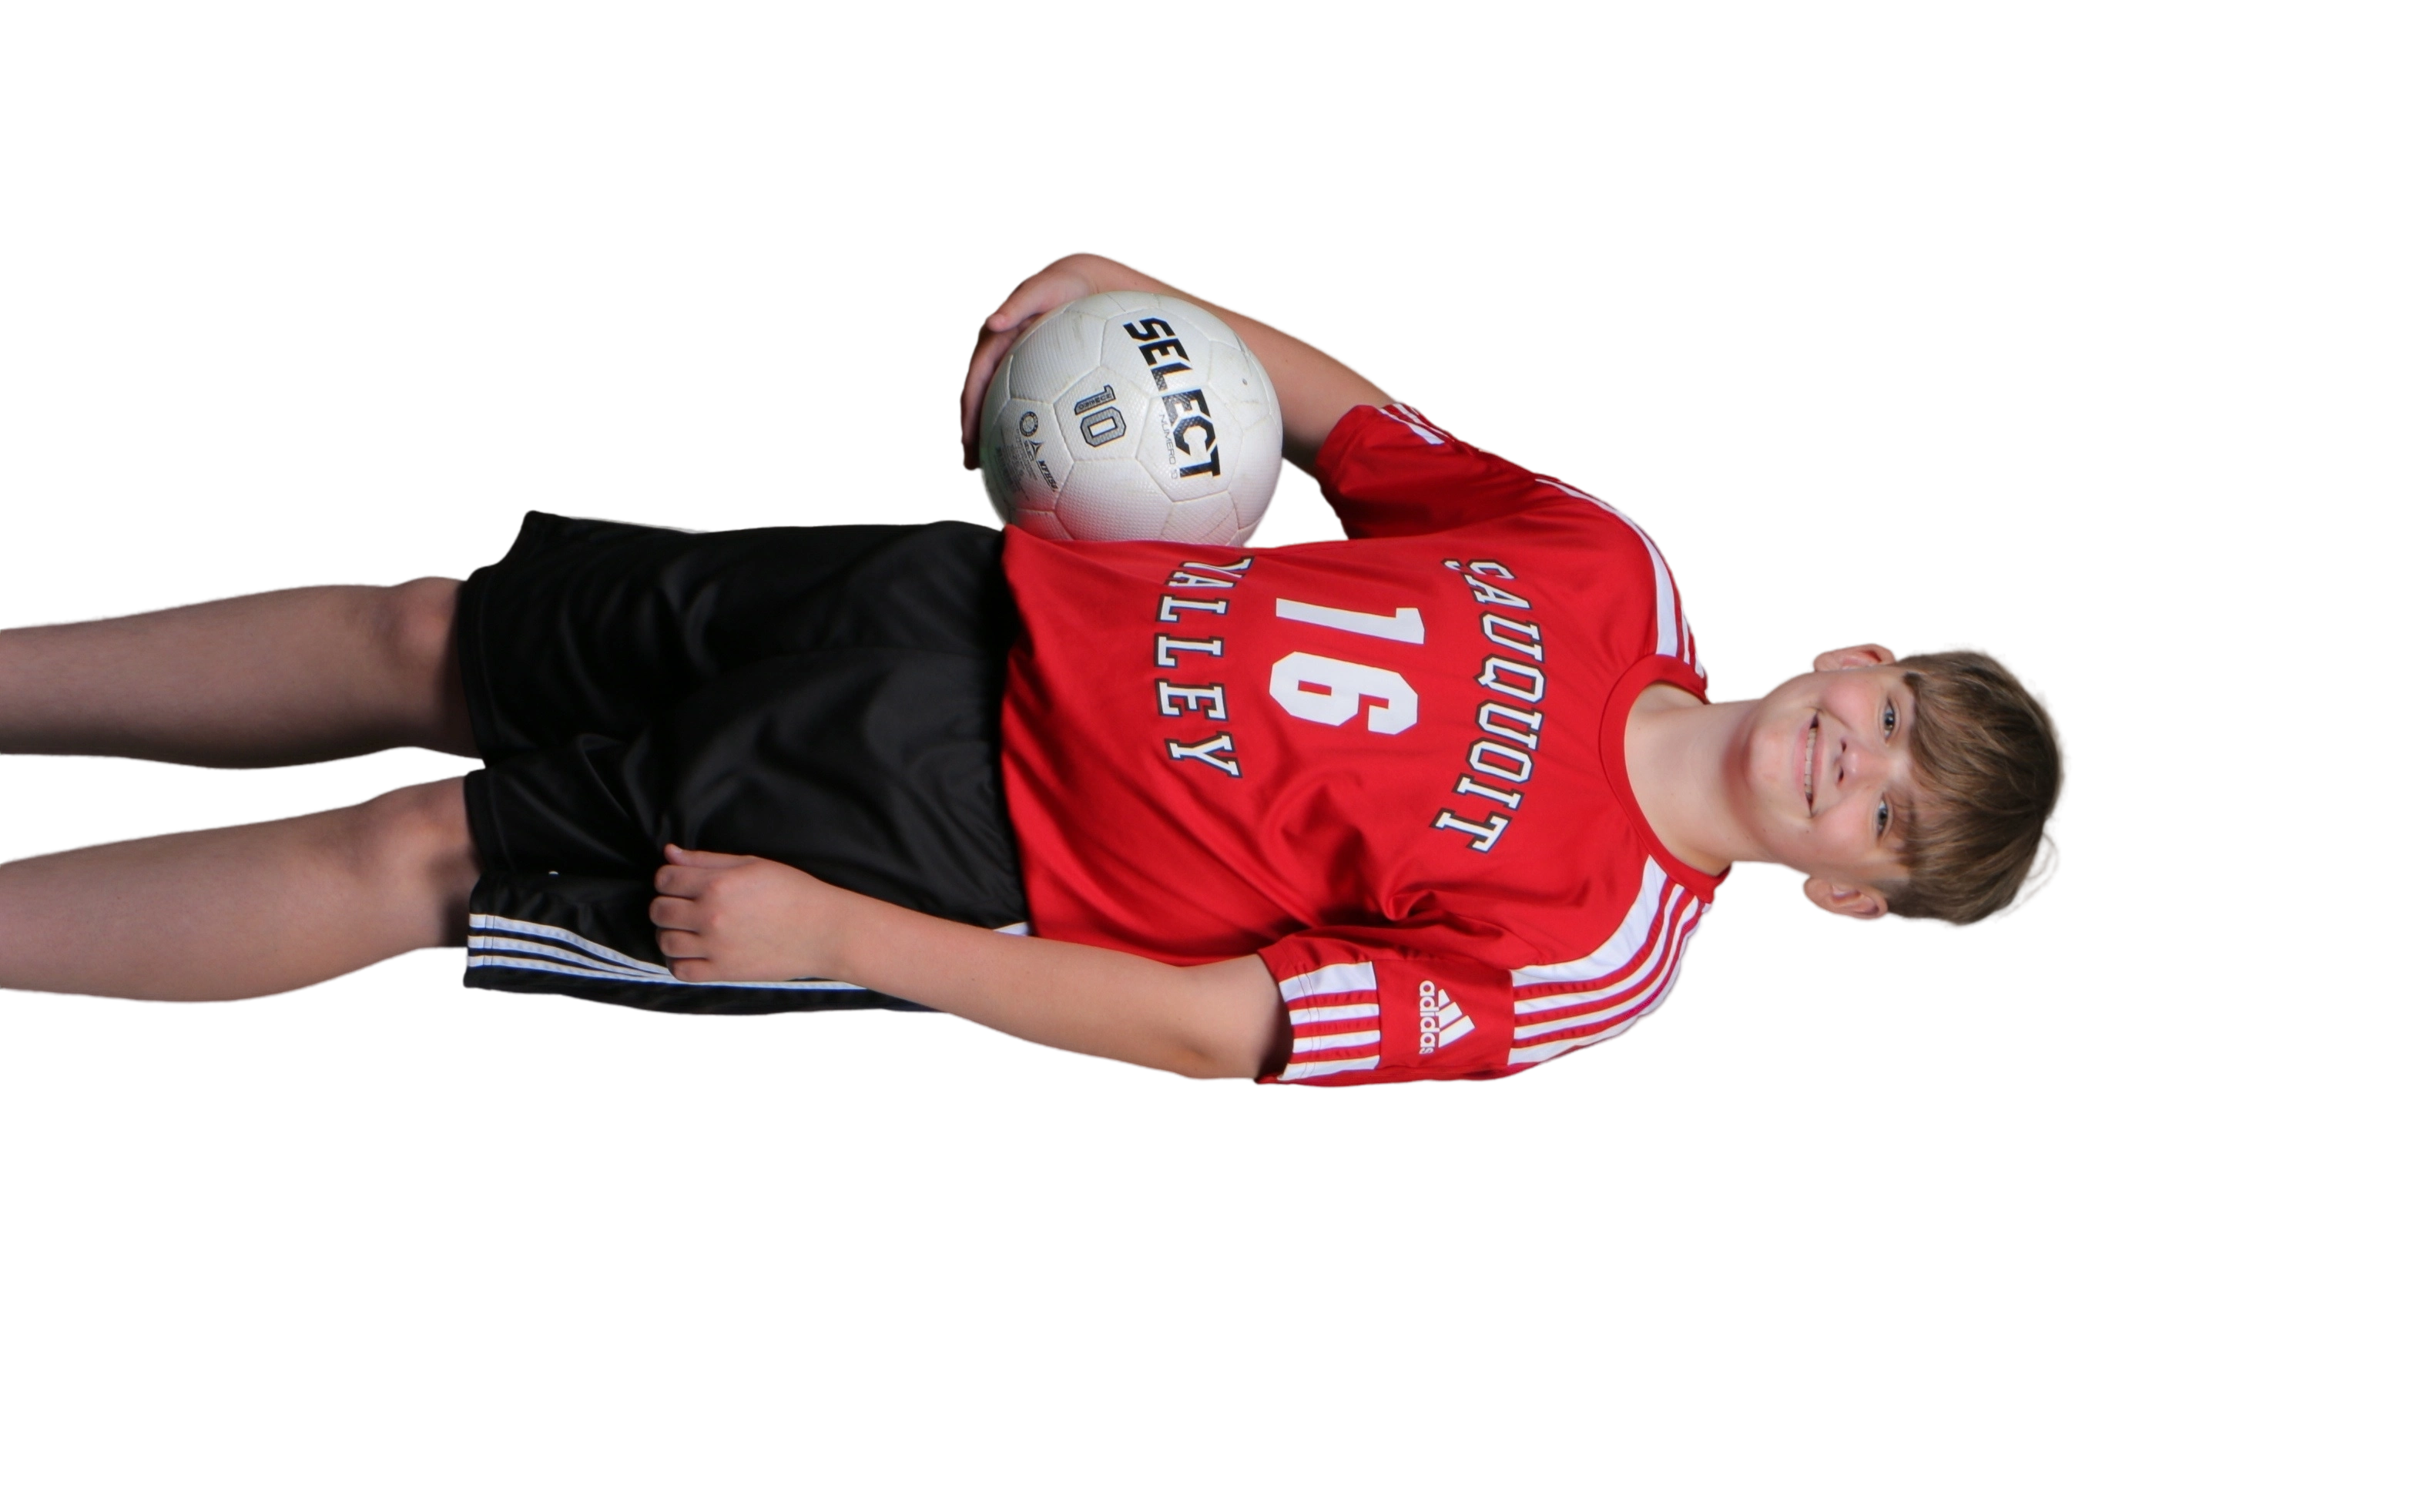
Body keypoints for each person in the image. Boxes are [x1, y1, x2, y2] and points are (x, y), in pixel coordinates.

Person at [0, 251, 2074, 1086]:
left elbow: (1221, 1027)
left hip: (941, 830)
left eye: (1890, 819)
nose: (1853, 762)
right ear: (1858, 653)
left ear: (1848, 897)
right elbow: (1361, 433)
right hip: (965, 598)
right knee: (436, 634)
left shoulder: (1598, 958)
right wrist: (1144, 300)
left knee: (421, 853)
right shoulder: (1613, 570)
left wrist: (852, 939)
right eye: (1893, 718)